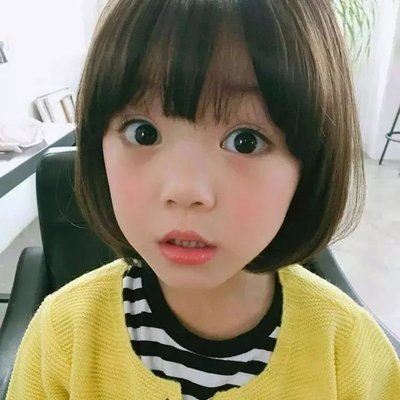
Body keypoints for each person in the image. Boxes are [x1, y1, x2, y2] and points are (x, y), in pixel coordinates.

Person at [6, 0, 400, 399]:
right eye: (143, 132)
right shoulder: (63, 338)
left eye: (245, 141)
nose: (185, 190)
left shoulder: (348, 354)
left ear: (310, 163)